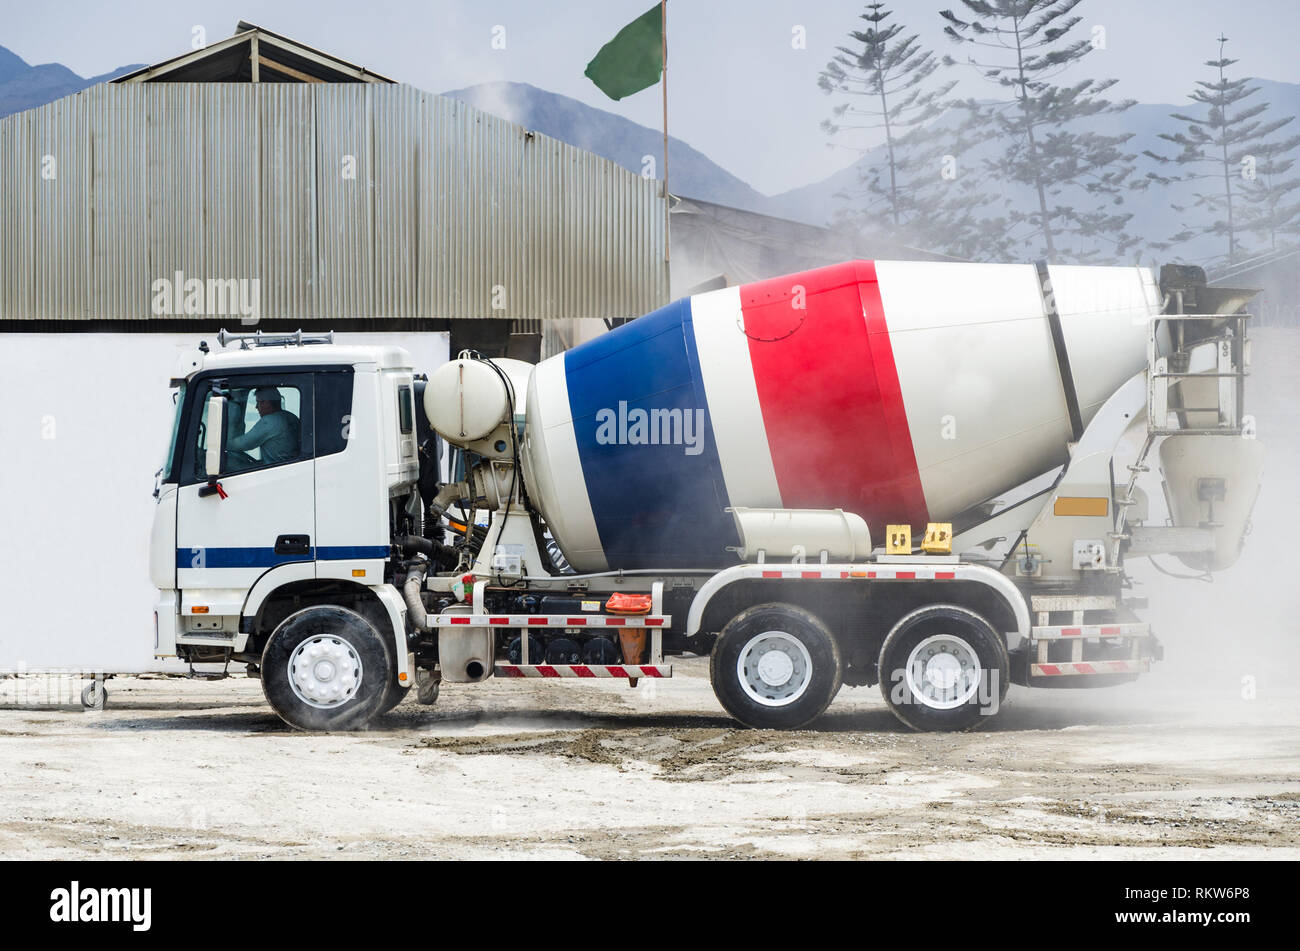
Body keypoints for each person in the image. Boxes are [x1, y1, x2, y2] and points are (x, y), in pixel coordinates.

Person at [226, 387, 300, 466]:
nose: (256, 407)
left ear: (267, 403)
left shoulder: (270, 421)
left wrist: (221, 445)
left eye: (258, 402)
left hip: (274, 469)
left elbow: (241, 444)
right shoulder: (291, 417)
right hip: (287, 466)